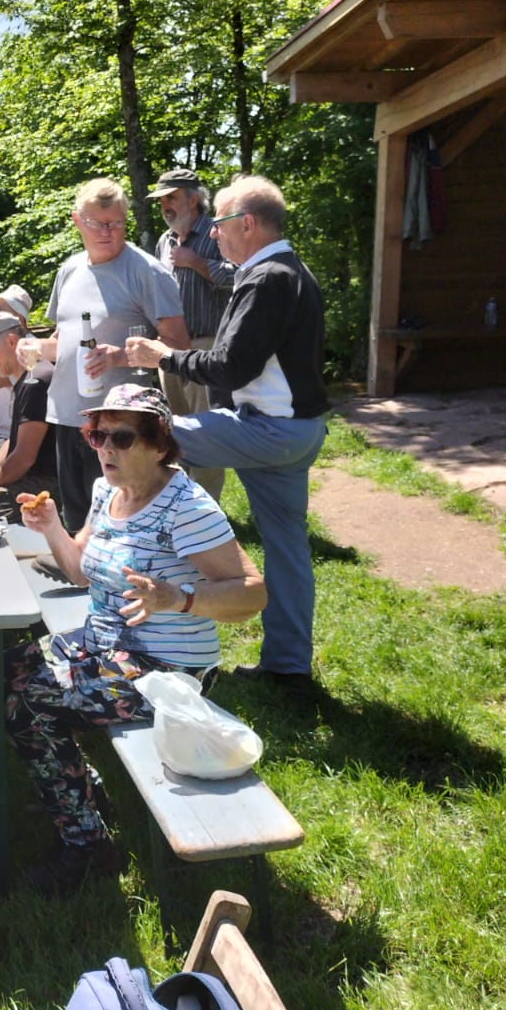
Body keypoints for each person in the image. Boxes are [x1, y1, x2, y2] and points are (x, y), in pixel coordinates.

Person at [6, 384, 265, 891]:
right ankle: (82, 794)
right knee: (2, 670)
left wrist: (179, 598)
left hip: (163, 670)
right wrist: (52, 528)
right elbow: (80, 572)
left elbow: (253, 594)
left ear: (158, 443)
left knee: (28, 703)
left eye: (121, 438)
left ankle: (86, 848)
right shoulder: (109, 492)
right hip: (104, 646)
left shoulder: (185, 507)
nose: (105, 449)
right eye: (96, 436)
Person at [124, 176, 328, 687]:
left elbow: (230, 366)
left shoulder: (266, 279)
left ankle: (123, 563)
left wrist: (163, 356)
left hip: (269, 431)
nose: (213, 234)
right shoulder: (293, 271)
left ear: (248, 224)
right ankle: (288, 668)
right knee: (287, 551)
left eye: (219, 223)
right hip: (298, 431)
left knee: (133, 440)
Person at [17, 178, 189, 532]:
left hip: (120, 426)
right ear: (77, 221)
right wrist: (33, 347)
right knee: (77, 524)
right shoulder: (70, 269)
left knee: (119, 526)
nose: (108, 232)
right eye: (98, 223)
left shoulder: (146, 271)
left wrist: (120, 357)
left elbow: (179, 346)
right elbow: (64, 342)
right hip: (67, 417)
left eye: (116, 223)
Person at [147, 168, 235, 501]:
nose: (165, 206)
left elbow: (240, 277)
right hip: (168, 351)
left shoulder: (218, 232)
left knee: (206, 429)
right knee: (177, 431)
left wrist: (196, 262)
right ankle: (183, 503)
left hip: (206, 347)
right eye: (161, 201)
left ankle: (208, 508)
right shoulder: (164, 241)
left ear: (193, 199)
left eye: (171, 198)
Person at [0, 311, 57, 523]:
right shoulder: (26, 377)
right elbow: (12, 442)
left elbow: (23, 458)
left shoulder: (35, 381)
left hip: (46, 484)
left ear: (11, 341)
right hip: (31, 477)